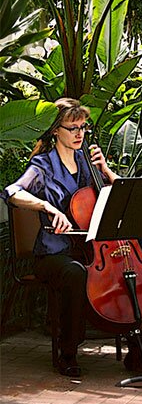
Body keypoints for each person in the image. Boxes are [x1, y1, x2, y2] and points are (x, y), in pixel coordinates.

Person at [2, 98, 118, 378]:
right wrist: (48, 206)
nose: (79, 133)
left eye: (82, 127)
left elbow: (117, 197)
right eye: (72, 127)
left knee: (121, 272)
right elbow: (12, 191)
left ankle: (137, 350)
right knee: (75, 274)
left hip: (89, 250)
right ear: (56, 130)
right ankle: (67, 353)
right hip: (53, 254)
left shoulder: (87, 161)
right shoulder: (44, 165)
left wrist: (106, 171)